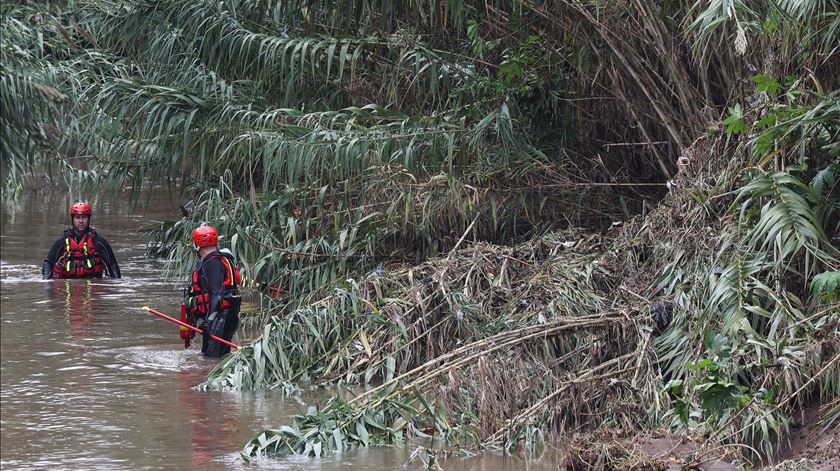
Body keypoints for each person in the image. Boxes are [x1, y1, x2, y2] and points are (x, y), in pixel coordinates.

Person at [182, 225, 241, 357]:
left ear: (196, 245)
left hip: (220, 319)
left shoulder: (211, 263)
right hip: (226, 316)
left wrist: (209, 321)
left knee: (210, 362)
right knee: (218, 358)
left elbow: (217, 294)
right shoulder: (220, 260)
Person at [42, 202, 121, 279]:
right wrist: (46, 280)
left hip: (93, 284)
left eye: (84, 217)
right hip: (68, 285)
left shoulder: (99, 242)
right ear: (72, 219)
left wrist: (115, 284)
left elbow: (112, 264)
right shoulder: (61, 242)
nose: (81, 221)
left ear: (89, 219)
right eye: (77, 217)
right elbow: (48, 263)